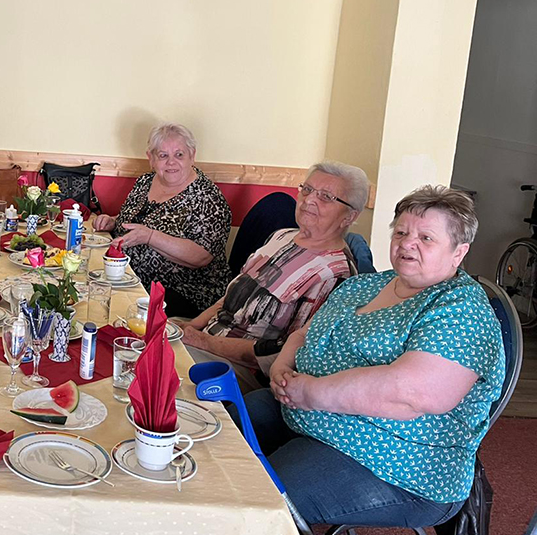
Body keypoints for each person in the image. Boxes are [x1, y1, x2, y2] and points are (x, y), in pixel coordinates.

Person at [242, 185, 505, 527]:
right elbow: (307, 333)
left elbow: (412, 393)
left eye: (426, 238)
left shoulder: (462, 309)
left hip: (394, 461)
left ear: (458, 252)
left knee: (260, 498)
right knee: (226, 426)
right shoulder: (365, 285)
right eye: (402, 232)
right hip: (307, 413)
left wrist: (311, 392)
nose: (408, 243)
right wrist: (282, 364)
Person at [180, 161, 368, 393]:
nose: (309, 199)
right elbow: (234, 295)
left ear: (349, 216)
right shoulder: (282, 236)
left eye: (326, 197)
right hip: (206, 339)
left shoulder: (335, 274)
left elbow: (281, 352)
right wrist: (190, 326)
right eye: (307, 189)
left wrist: (203, 342)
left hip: (241, 369)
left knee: (158, 366)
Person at [94, 122, 232, 317]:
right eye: (163, 155)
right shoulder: (145, 181)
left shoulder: (208, 198)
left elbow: (202, 256)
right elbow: (136, 219)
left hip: (183, 293)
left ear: (192, 155)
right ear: (151, 158)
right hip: (130, 277)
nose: (171, 162)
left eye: (179, 154)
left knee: (106, 308)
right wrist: (113, 222)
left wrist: (150, 237)